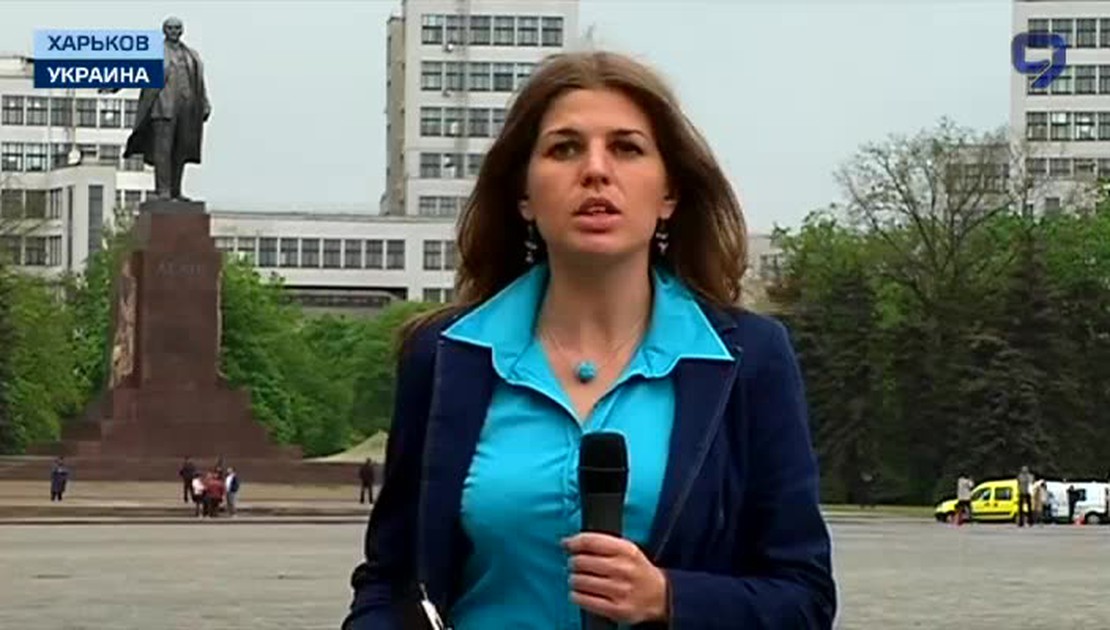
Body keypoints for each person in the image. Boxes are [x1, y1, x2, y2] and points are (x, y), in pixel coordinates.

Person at [342, 51, 836, 630]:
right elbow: (391, 581)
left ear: (669, 193)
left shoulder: (748, 359)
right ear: (524, 195)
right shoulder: (446, 355)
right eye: (565, 149)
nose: (596, 171)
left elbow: (804, 598)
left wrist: (668, 598)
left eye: (626, 148)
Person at [119, 16, 211, 200]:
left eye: (177, 28)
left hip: (186, 109)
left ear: (182, 31)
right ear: (164, 31)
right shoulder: (155, 53)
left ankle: (176, 190)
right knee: (163, 151)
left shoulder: (191, 55)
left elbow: (199, 82)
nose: (174, 31)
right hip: (162, 108)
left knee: (180, 150)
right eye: (170, 28)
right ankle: (163, 190)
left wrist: (205, 102)